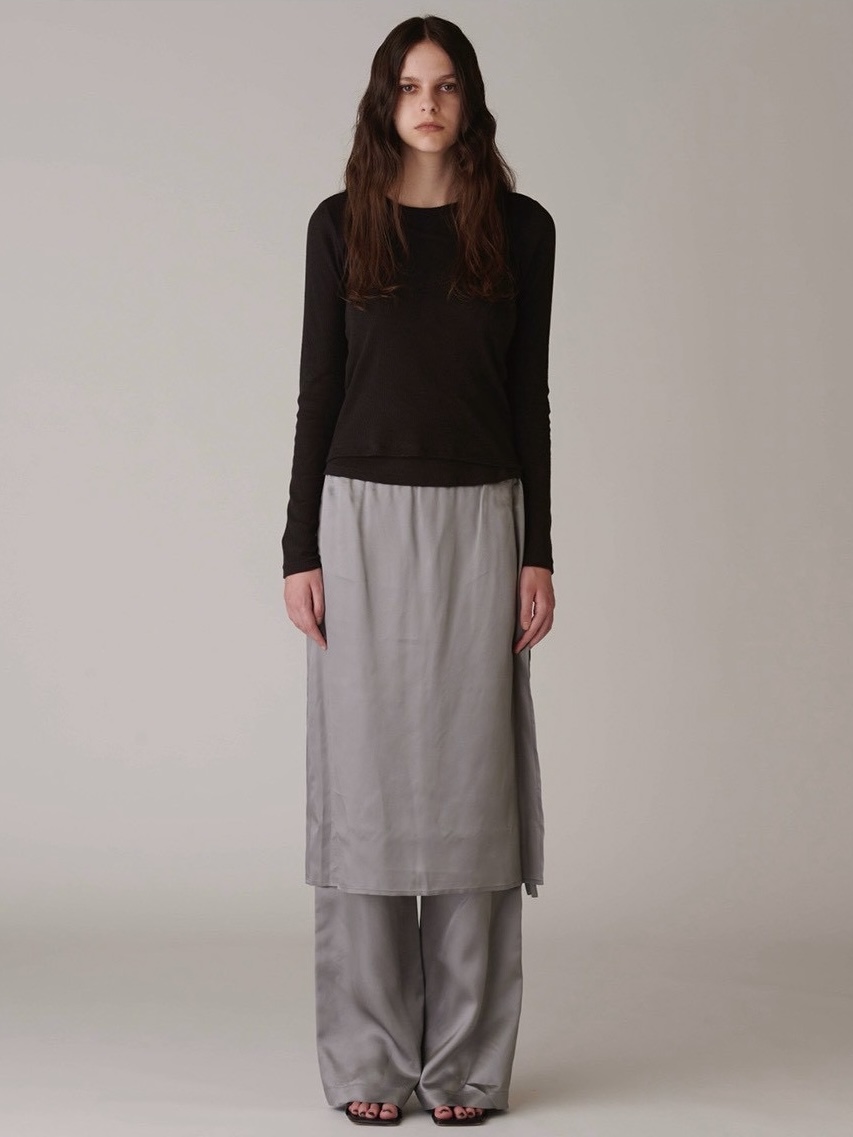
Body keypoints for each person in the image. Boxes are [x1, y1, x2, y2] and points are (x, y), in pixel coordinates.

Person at [281, 14, 556, 1127]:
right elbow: (317, 391)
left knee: (472, 792)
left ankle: (466, 1068)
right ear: (383, 102)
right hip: (356, 520)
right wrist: (297, 549)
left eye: (444, 86)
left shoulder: (522, 230)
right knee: (366, 792)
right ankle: (369, 1062)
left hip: (482, 518)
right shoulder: (339, 224)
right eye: (408, 86)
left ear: (469, 99)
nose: (427, 104)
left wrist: (539, 550)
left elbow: (529, 396)